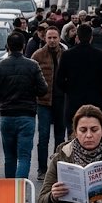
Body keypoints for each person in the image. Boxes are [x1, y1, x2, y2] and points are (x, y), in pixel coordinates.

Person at [0, 31, 48, 179]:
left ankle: (10, 190)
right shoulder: (32, 65)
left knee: (9, 156)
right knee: (24, 156)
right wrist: (30, 93)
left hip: (6, 114)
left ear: (7, 46)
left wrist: (3, 96)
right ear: (24, 45)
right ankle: (20, 189)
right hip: (26, 115)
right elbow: (43, 89)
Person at [58, 25, 102, 136]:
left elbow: (59, 80)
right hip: (95, 102)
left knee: (73, 135)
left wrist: (70, 89)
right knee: (94, 135)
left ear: (77, 37)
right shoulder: (100, 55)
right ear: (91, 38)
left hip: (73, 103)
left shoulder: (67, 55)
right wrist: (98, 88)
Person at [32, 27, 66, 181]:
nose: (52, 40)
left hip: (61, 100)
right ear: (45, 38)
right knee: (43, 136)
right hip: (43, 101)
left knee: (60, 136)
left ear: (59, 38)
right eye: (49, 37)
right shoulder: (38, 55)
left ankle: (57, 168)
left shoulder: (65, 54)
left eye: (55, 37)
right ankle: (42, 169)